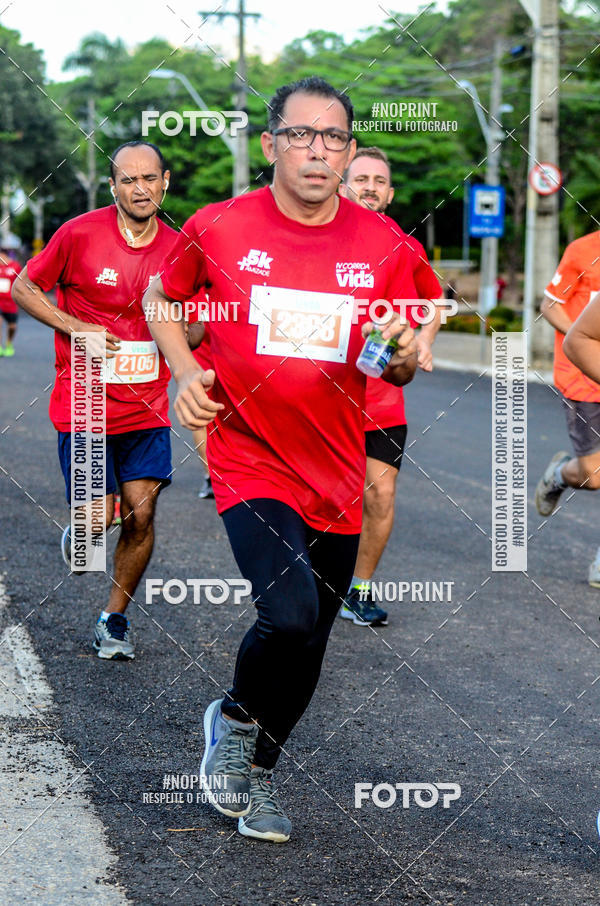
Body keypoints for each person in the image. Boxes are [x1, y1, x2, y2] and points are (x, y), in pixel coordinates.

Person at [142, 76, 423, 844]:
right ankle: (233, 718)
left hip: (336, 467)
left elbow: (397, 359)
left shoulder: (386, 246)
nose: (318, 150)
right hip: (250, 457)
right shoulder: (219, 226)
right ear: (270, 144)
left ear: (351, 151)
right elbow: (162, 302)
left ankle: (258, 769)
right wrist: (186, 373)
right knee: (289, 612)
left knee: (311, 640)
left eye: (334, 138)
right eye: (301, 134)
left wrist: (401, 357)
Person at [12, 140, 176, 658]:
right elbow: (23, 287)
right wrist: (76, 326)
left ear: (164, 182)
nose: (140, 188)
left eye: (148, 178)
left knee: (142, 514)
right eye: (128, 179)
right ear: (113, 187)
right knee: (94, 521)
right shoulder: (79, 234)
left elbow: (197, 319)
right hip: (85, 403)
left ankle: (115, 618)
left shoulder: (181, 249)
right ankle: (81, 530)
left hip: (146, 405)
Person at [338, 147, 442, 625]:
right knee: (320, 497)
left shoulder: (407, 247)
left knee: (379, 494)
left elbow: (435, 300)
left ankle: (358, 590)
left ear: (391, 192)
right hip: (319, 394)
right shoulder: (318, 235)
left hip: (380, 394)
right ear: (343, 185)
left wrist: (423, 340)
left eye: (380, 180)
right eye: (362, 178)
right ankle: (304, 580)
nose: (371, 187)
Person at [534, 231, 600, 587]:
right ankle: (560, 474)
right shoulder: (583, 250)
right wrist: (585, 337)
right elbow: (549, 305)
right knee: (594, 474)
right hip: (583, 377)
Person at [0, 248, 22, 356]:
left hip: (11, 301)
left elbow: (21, 282)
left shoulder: (15, 266)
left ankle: (9, 343)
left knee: (12, 326)